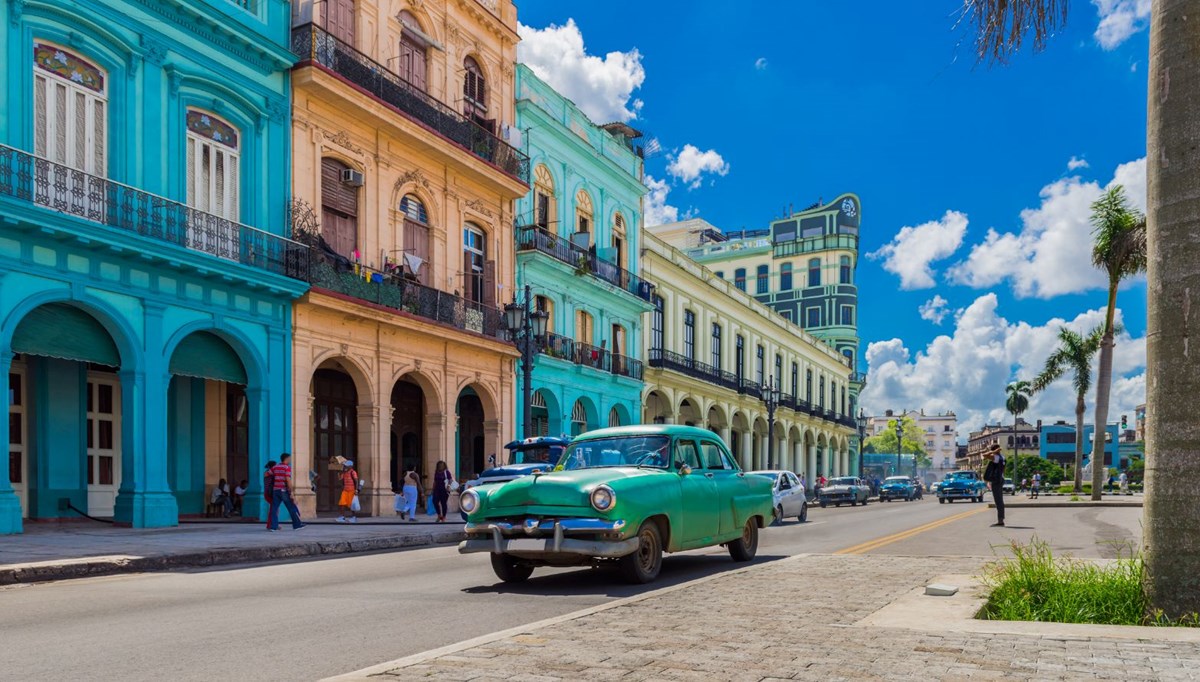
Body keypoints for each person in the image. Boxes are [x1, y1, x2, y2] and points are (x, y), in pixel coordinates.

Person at [267, 453, 306, 532]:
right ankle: (297, 525)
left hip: (275, 490)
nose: (290, 460)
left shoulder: (275, 467)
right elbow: (288, 480)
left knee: (274, 508)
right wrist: (291, 491)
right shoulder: (287, 468)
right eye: (289, 458)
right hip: (283, 490)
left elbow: (266, 474)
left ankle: (273, 526)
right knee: (291, 507)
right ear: (287, 459)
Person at [983, 445, 1006, 527]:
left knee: (998, 500)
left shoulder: (995, 457)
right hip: (1001, 479)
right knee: (1000, 500)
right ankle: (1001, 519)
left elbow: (984, 455)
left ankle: (1000, 521)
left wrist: (993, 451)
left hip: (996, 480)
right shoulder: (1002, 457)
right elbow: (1004, 469)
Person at [262, 461, 276, 529]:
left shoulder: (270, 472)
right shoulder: (268, 472)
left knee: (274, 509)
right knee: (274, 509)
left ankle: (272, 524)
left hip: (270, 493)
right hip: (269, 493)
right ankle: (271, 525)